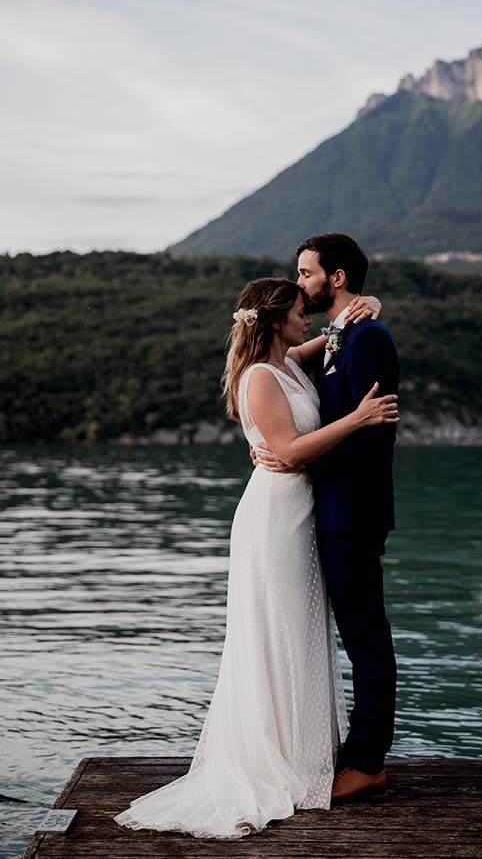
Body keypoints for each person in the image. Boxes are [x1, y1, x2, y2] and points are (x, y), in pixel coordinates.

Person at [113, 277, 397, 839]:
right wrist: (358, 419)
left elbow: (336, 336)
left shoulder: (289, 358)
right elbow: (289, 450)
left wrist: (371, 307)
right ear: (273, 322)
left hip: (302, 511)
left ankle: (302, 751)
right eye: (297, 312)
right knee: (274, 632)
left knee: (297, 630)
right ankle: (273, 759)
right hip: (275, 519)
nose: (307, 319)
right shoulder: (260, 376)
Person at [255, 233, 400, 802]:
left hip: (352, 513)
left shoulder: (369, 338)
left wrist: (293, 453)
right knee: (353, 634)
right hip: (328, 510)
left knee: (366, 638)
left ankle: (367, 761)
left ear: (336, 277)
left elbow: (363, 437)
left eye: (306, 274)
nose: (299, 285)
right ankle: (347, 748)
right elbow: (279, 381)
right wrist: (273, 442)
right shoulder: (343, 334)